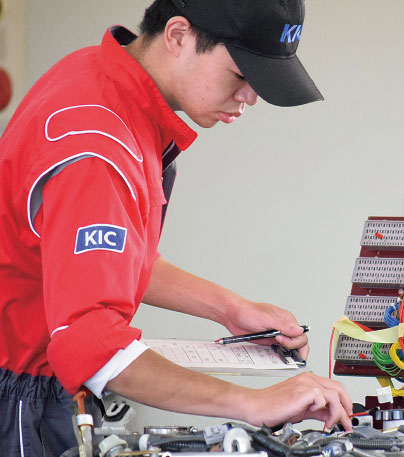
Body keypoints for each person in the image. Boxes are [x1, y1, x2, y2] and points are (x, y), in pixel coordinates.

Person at [0, 0, 352, 455]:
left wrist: (231, 310)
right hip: (19, 405)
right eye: (241, 74)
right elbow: (90, 345)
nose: (250, 97)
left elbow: (112, 263)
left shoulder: (99, 78)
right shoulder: (98, 145)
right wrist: (253, 403)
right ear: (179, 36)